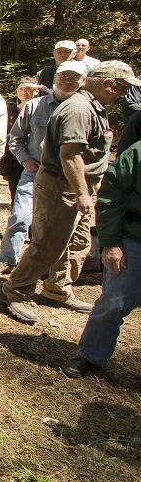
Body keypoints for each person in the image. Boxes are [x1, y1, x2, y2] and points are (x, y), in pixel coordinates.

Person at [1, 61, 140, 324]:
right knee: (47, 244)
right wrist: (81, 192)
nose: (122, 95)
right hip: (61, 187)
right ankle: (16, 290)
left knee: (75, 242)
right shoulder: (79, 108)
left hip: (76, 186)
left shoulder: (91, 106)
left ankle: (57, 288)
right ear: (108, 84)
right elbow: (70, 155)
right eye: (121, 89)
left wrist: (89, 185)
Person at [0, 65, 83, 278]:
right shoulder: (34, 106)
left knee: (59, 226)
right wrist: (24, 159)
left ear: (83, 81)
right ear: (55, 78)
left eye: (74, 77)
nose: (68, 80)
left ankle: (50, 270)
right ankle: (7, 259)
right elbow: (16, 137)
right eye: (63, 76)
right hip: (35, 173)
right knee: (20, 217)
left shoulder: (84, 110)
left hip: (68, 178)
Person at [62, 137, 141, 378]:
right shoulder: (136, 154)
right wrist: (111, 244)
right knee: (112, 303)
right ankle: (90, 354)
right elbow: (109, 200)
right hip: (133, 239)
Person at [0, 76, 41, 204]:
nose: (25, 92)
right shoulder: (9, 110)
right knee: (16, 195)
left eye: (29, 88)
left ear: (36, 91)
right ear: (17, 91)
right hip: (14, 159)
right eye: (22, 88)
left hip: (36, 159)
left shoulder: (43, 109)